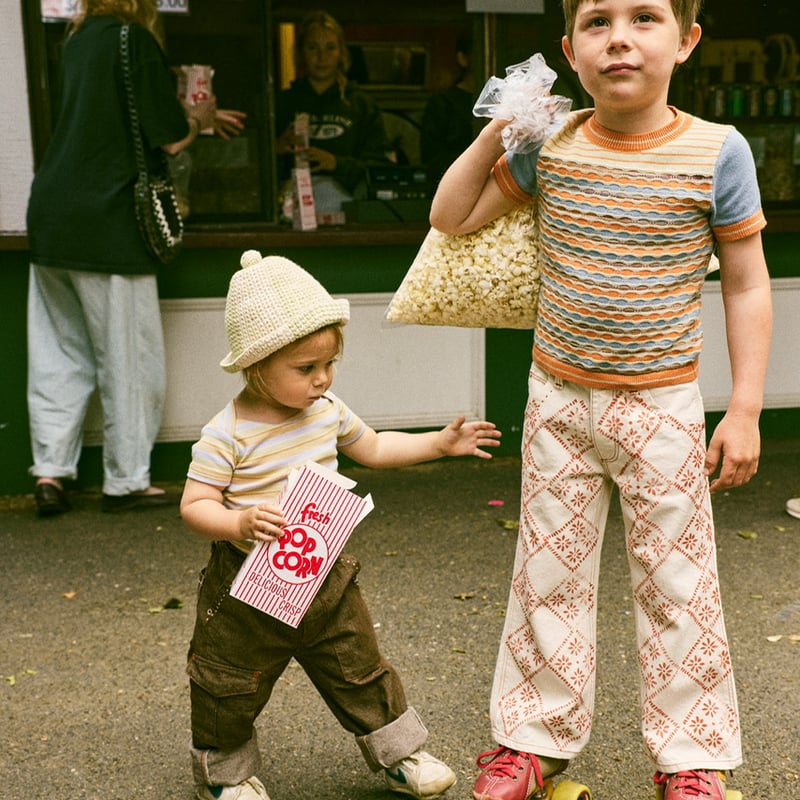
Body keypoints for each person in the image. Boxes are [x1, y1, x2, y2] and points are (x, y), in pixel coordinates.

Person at [429, 1, 773, 799]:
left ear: (686, 41)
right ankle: (533, 744)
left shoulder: (719, 151)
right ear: (569, 49)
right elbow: (451, 217)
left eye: (645, 17)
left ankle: (693, 759)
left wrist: (746, 408)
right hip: (558, 401)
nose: (619, 37)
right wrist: (501, 129)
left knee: (681, 585)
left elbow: (748, 284)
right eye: (596, 22)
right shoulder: (550, 146)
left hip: (664, 408)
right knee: (545, 576)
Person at [180, 250, 502, 800]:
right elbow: (195, 504)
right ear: (256, 365)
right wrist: (237, 521)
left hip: (323, 573)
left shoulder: (327, 408)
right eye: (305, 368)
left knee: (358, 664)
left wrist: (438, 443)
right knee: (228, 680)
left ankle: (400, 755)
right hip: (245, 586)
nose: (322, 378)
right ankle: (224, 776)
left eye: (330, 363)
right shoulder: (225, 434)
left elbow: (373, 447)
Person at [25, 0, 244, 517]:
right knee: (128, 359)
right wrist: (198, 119)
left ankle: (51, 472)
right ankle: (125, 481)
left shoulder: (75, 42)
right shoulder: (134, 40)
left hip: (52, 214)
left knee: (58, 356)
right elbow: (168, 139)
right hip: (109, 220)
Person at [274, 9, 393, 213]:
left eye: (330, 48)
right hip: (289, 209)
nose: (322, 57)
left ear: (341, 53)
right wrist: (275, 149)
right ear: (301, 53)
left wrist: (336, 163)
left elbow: (381, 168)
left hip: (348, 209)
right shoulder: (281, 103)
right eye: (313, 48)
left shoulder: (361, 105)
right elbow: (252, 171)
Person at [421, 35, 482, 190]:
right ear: (463, 58)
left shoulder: (506, 102)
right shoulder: (442, 104)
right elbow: (431, 159)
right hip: (455, 188)